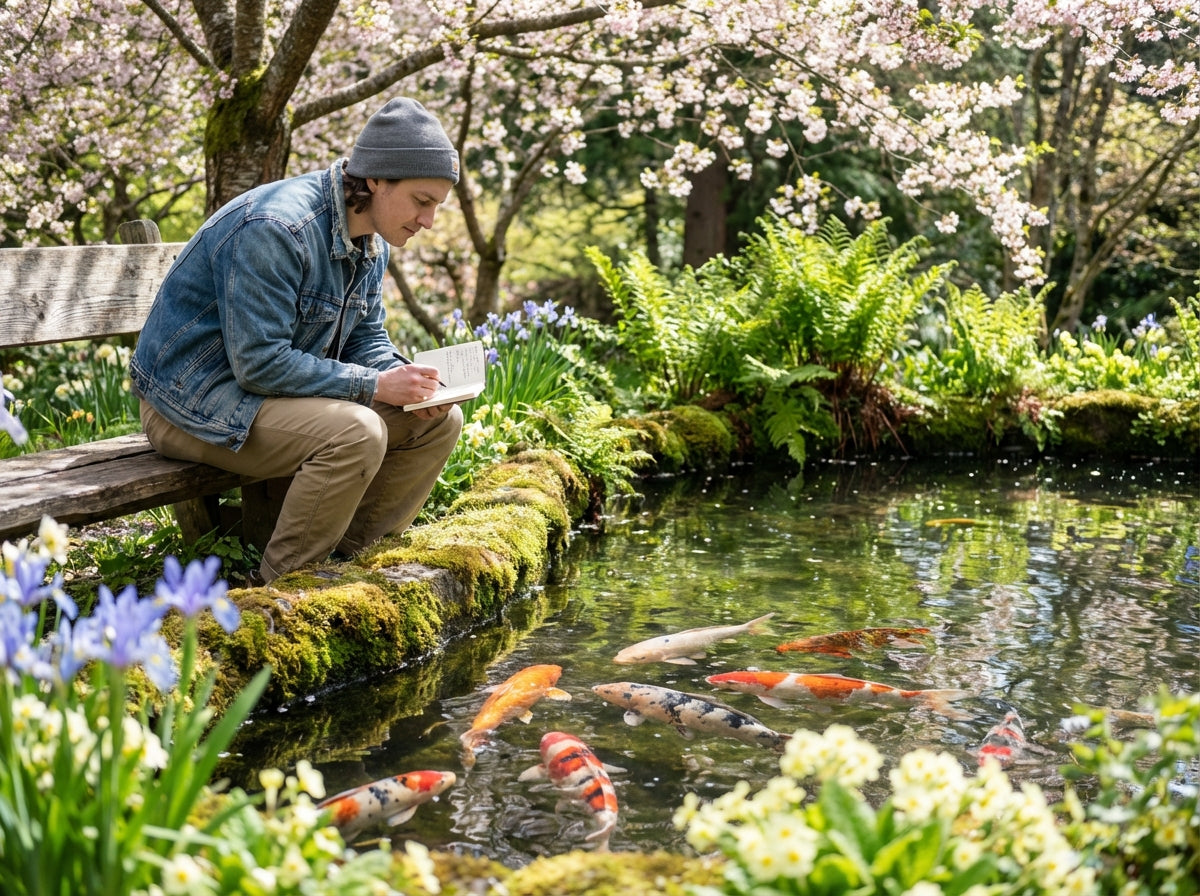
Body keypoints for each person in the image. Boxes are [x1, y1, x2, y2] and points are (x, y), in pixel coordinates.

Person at [130, 97, 465, 586]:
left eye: (436, 205)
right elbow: (259, 364)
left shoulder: (371, 240)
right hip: (192, 404)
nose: (429, 220)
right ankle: (282, 595)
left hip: (271, 401)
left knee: (437, 422)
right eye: (422, 201)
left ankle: (346, 569)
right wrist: (375, 387)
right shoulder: (276, 228)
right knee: (356, 432)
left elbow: (365, 339)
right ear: (375, 180)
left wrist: (410, 382)